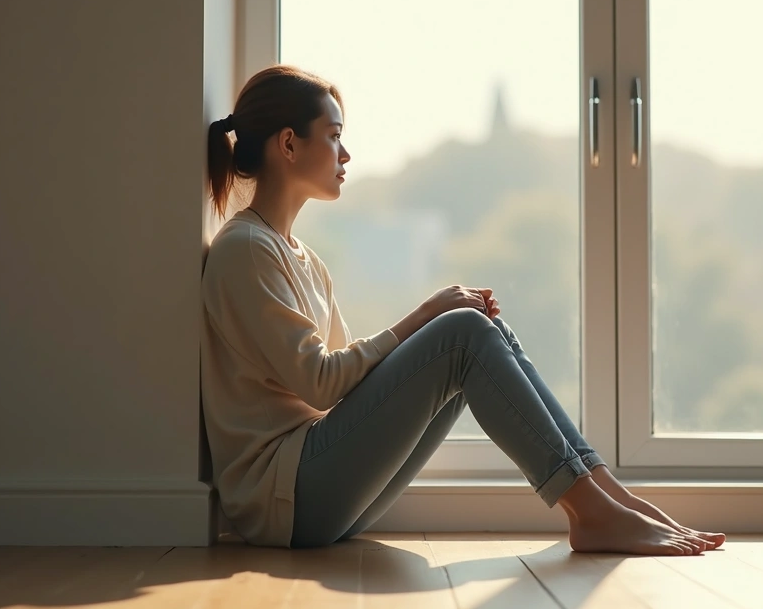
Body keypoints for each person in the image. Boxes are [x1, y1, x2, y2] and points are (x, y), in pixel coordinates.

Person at [201, 65, 726, 555]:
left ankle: (606, 495)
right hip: (284, 499)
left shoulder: (304, 259)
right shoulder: (245, 248)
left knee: (479, 329)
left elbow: (346, 387)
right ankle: (591, 510)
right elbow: (320, 383)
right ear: (289, 144)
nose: (346, 154)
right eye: (334, 135)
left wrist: (441, 331)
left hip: (315, 490)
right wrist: (428, 316)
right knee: (462, 334)